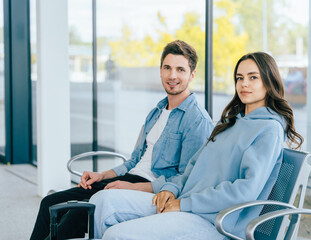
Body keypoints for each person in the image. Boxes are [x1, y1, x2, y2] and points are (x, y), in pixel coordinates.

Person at [89, 52, 304, 240]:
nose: (244, 84)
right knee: (102, 202)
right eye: (239, 78)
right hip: (185, 204)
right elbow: (193, 165)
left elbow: (244, 190)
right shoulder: (229, 123)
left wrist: (185, 205)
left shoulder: (269, 130)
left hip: (216, 223)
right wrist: (171, 189)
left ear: (269, 82)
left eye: (253, 77)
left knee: (116, 235)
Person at [30, 40, 214, 240]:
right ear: (160, 70)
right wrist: (102, 175)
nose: (172, 75)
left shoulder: (197, 120)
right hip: (128, 179)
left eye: (180, 69)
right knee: (49, 203)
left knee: (76, 214)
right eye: (167, 68)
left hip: (148, 189)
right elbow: (135, 160)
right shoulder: (157, 111)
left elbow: (185, 179)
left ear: (192, 74)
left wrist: (132, 187)